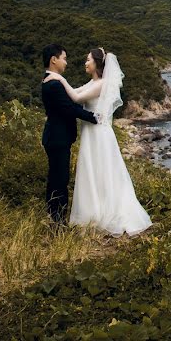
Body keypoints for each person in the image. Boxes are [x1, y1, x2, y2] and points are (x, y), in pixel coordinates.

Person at [43, 47, 152, 236]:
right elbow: (74, 94)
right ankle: (92, 213)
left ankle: (105, 213)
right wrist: (57, 80)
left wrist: (60, 79)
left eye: (88, 60)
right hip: (90, 132)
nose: (85, 63)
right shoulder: (92, 82)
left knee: (102, 171)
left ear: (97, 63)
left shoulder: (102, 83)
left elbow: (75, 97)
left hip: (98, 134)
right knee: (90, 171)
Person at [41, 44, 97, 225]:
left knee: (56, 177)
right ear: (54, 59)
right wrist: (94, 117)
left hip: (56, 137)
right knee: (60, 179)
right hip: (57, 138)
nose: (66, 62)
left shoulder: (52, 81)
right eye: (64, 58)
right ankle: (58, 220)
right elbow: (69, 108)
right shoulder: (54, 84)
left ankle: (53, 214)